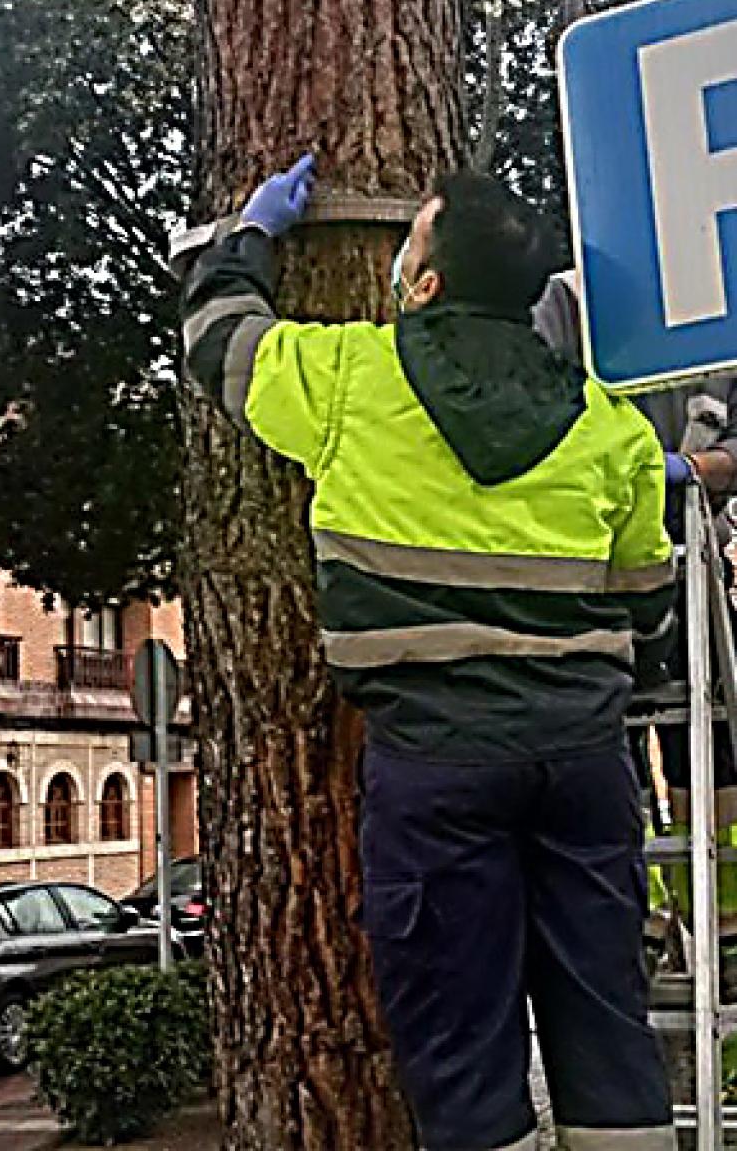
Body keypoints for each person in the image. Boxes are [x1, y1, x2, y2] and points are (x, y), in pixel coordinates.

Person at [181, 157, 676, 1150]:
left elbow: (217, 341)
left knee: (460, 1040)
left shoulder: (347, 375)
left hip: (437, 763)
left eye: (411, 238)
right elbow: (646, 606)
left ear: (426, 284)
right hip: (581, 761)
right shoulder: (605, 421)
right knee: (606, 1024)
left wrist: (249, 235)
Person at [534, 271, 737, 978]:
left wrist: (691, 469)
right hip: (594, 575)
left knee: (709, 760)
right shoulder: (568, 300)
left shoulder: (724, 294)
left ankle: (722, 935)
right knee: (606, 759)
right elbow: (536, 424)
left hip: (696, 572)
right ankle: (637, 928)